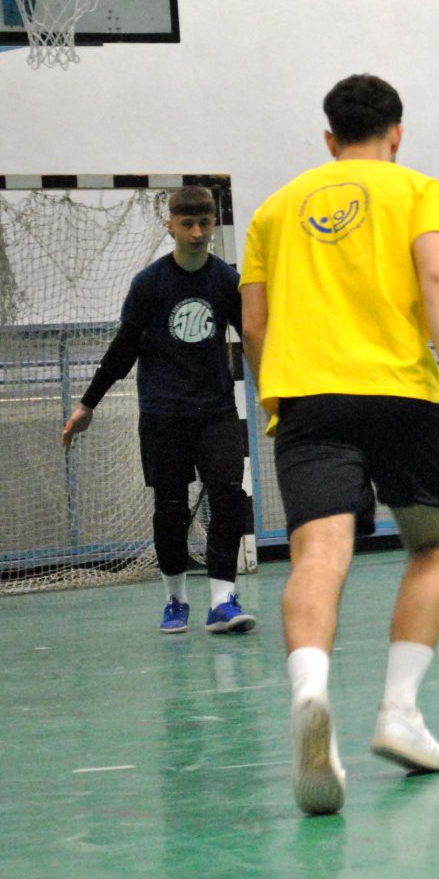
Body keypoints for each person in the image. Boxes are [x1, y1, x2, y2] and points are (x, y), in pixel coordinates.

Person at [240, 74, 439, 814]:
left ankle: (310, 693)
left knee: (318, 555)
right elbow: (438, 275)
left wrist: (281, 396)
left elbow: (253, 325)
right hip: (399, 392)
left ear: (328, 137)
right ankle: (398, 714)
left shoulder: (274, 210)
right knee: (432, 545)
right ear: (397, 133)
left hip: (308, 399)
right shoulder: (420, 191)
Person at [61, 186, 254, 635]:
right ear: (170, 226)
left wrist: (280, 392)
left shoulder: (226, 281)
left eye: (204, 223)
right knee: (170, 507)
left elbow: (254, 337)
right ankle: (175, 599)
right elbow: (124, 348)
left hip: (217, 411)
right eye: (187, 224)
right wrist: (88, 404)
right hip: (163, 414)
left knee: (228, 496)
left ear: (213, 225)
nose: (197, 233)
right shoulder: (149, 284)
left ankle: (222, 600)